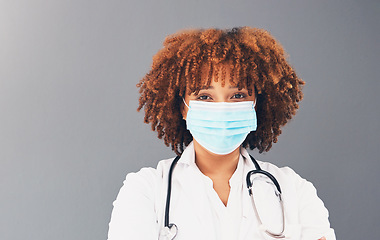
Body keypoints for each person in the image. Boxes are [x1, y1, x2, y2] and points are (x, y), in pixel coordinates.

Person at [107, 27, 336, 240]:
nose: (222, 107)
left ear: (257, 104)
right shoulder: (145, 190)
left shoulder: (294, 190)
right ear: (181, 108)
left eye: (237, 96)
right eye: (204, 97)